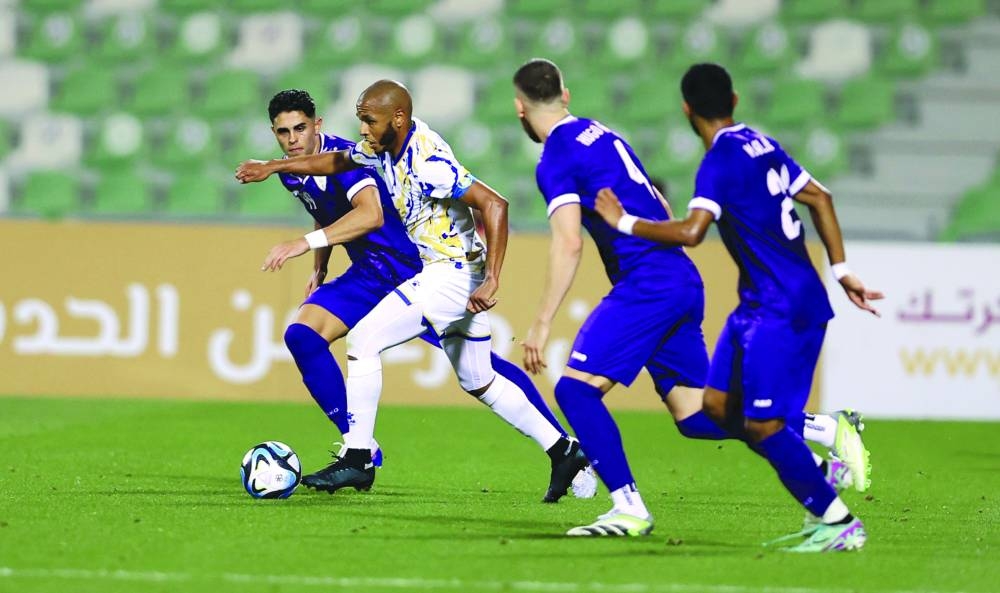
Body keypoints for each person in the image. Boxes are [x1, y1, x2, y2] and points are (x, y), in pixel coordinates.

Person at [512, 58, 869, 538]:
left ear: (520, 108)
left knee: (574, 390)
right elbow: (657, 200)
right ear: (566, 95)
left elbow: (569, 241)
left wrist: (540, 322)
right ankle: (824, 430)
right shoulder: (603, 134)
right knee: (698, 415)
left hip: (648, 283)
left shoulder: (556, 158)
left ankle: (628, 507)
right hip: (679, 278)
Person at [240, 83, 595, 503]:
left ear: (397, 120)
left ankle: (358, 455)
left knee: (364, 341)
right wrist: (275, 170)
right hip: (427, 270)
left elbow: (494, 204)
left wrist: (493, 278)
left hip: (442, 272)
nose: (362, 129)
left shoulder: (427, 162)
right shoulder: (376, 147)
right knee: (479, 378)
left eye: (368, 120)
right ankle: (565, 451)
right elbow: (337, 162)